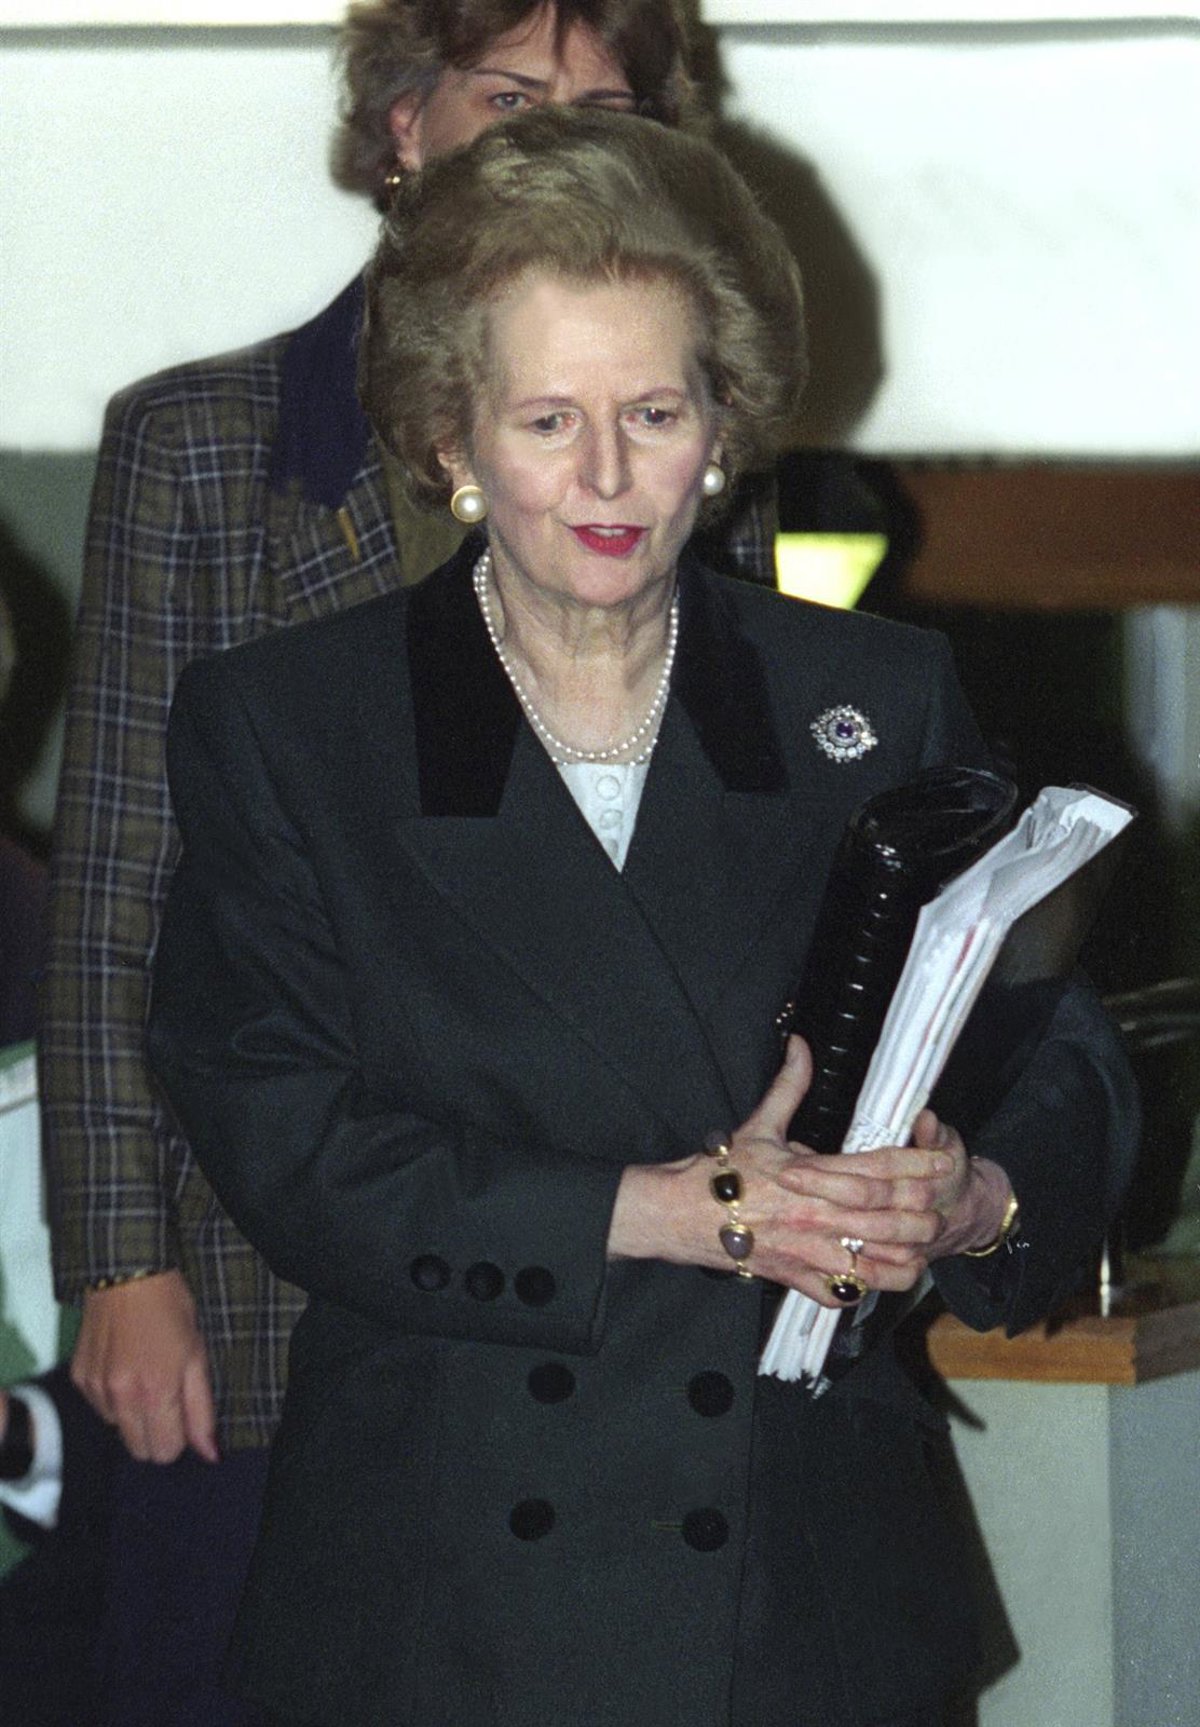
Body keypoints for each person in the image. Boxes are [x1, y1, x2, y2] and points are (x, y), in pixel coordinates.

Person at [147, 108, 1137, 1727]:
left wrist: (971, 1196)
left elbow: (1055, 1050)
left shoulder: (871, 698)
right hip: (449, 1601)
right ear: (453, 442)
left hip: (802, 1596)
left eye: (655, 413)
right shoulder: (295, 730)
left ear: (722, 426)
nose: (607, 479)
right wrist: (678, 1212)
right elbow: (287, 1146)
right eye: (549, 420)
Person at [38, 5, 773, 1720]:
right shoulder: (205, 443)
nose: (553, 139)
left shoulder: (684, 438)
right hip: (261, 1256)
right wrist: (119, 1264)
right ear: (400, 127)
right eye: (509, 95)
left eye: (603, 105)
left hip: (609, 1258)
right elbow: (116, 889)